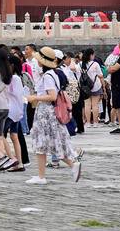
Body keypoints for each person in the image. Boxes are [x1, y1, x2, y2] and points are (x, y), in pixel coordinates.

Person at [25, 46, 83, 185]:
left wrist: (35, 98)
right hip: (48, 112)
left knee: (42, 144)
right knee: (48, 144)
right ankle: (44, 174)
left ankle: (43, 175)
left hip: (46, 113)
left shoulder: (48, 76)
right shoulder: (53, 73)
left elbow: (52, 96)